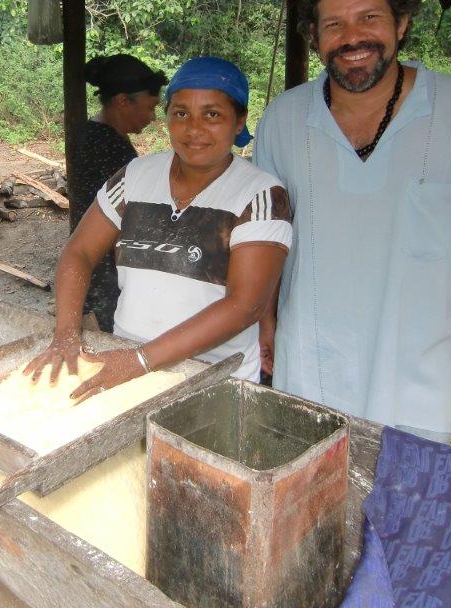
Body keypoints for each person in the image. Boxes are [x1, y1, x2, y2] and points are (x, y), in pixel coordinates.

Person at [253, 0, 451, 443]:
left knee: (408, 507)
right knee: (311, 501)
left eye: (369, 18)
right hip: (310, 366)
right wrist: (265, 321)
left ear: (402, 24)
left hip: (418, 380)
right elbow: (265, 238)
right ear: (313, 36)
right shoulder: (283, 120)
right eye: (334, 24)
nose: (353, 37)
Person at [26, 57, 291, 398]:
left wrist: (140, 360)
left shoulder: (260, 195)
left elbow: (245, 306)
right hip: (126, 368)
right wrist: (66, 333)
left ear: (239, 121)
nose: (194, 129)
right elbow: (79, 251)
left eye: (212, 114)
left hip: (213, 382)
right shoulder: (135, 177)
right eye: (181, 113)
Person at [70, 54, 167, 331]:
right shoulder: (109, 147)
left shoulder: (94, 134)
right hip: (105, 265)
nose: (152, 117)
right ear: (122, 100)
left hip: (98, 259)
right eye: (150, 108)